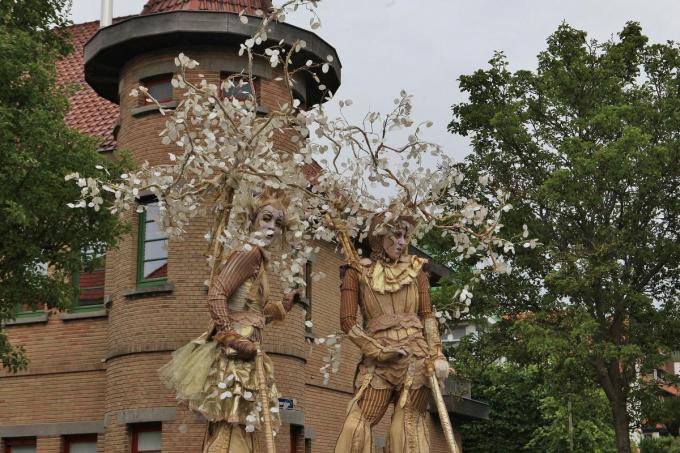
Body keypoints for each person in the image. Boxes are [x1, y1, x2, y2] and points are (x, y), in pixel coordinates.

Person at [160, 190, 297, 453]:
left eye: (278, 224)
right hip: (236, 358)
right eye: (266, 219)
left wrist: (283, 307)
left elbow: (250, 314)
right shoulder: (249, 254)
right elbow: (217, 294)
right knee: (231, 427)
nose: (272, 228)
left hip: (247, 355)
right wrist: (231, 336)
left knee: (237, 427)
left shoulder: (259, 261)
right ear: (253, 220)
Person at [334, 214, 449, 453]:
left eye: (405, 236)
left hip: (416, 358)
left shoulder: (417, 271)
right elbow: (347, 322)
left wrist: (438, 354)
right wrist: (378, 350)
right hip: (378, 361)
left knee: (407, 427)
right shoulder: (357, 272)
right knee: (356, 424)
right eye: (396, 234)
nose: (401, 241)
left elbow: (427, 316)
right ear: (379, 237)